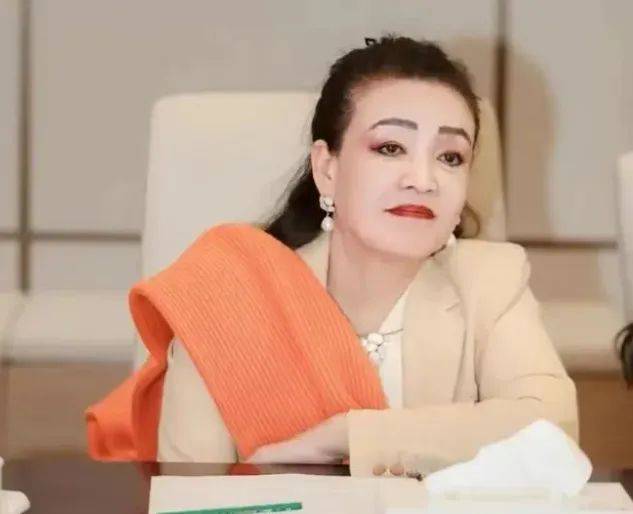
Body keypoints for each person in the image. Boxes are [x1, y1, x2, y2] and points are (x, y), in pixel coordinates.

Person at [87, 35, 578, 478]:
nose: (423, 179)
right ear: (327, 169)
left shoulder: (491, 281)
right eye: (390, 147)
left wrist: (347, 436)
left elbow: (552, 430)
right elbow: (190, 499)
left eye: (450, 157)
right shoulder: (228, 297)